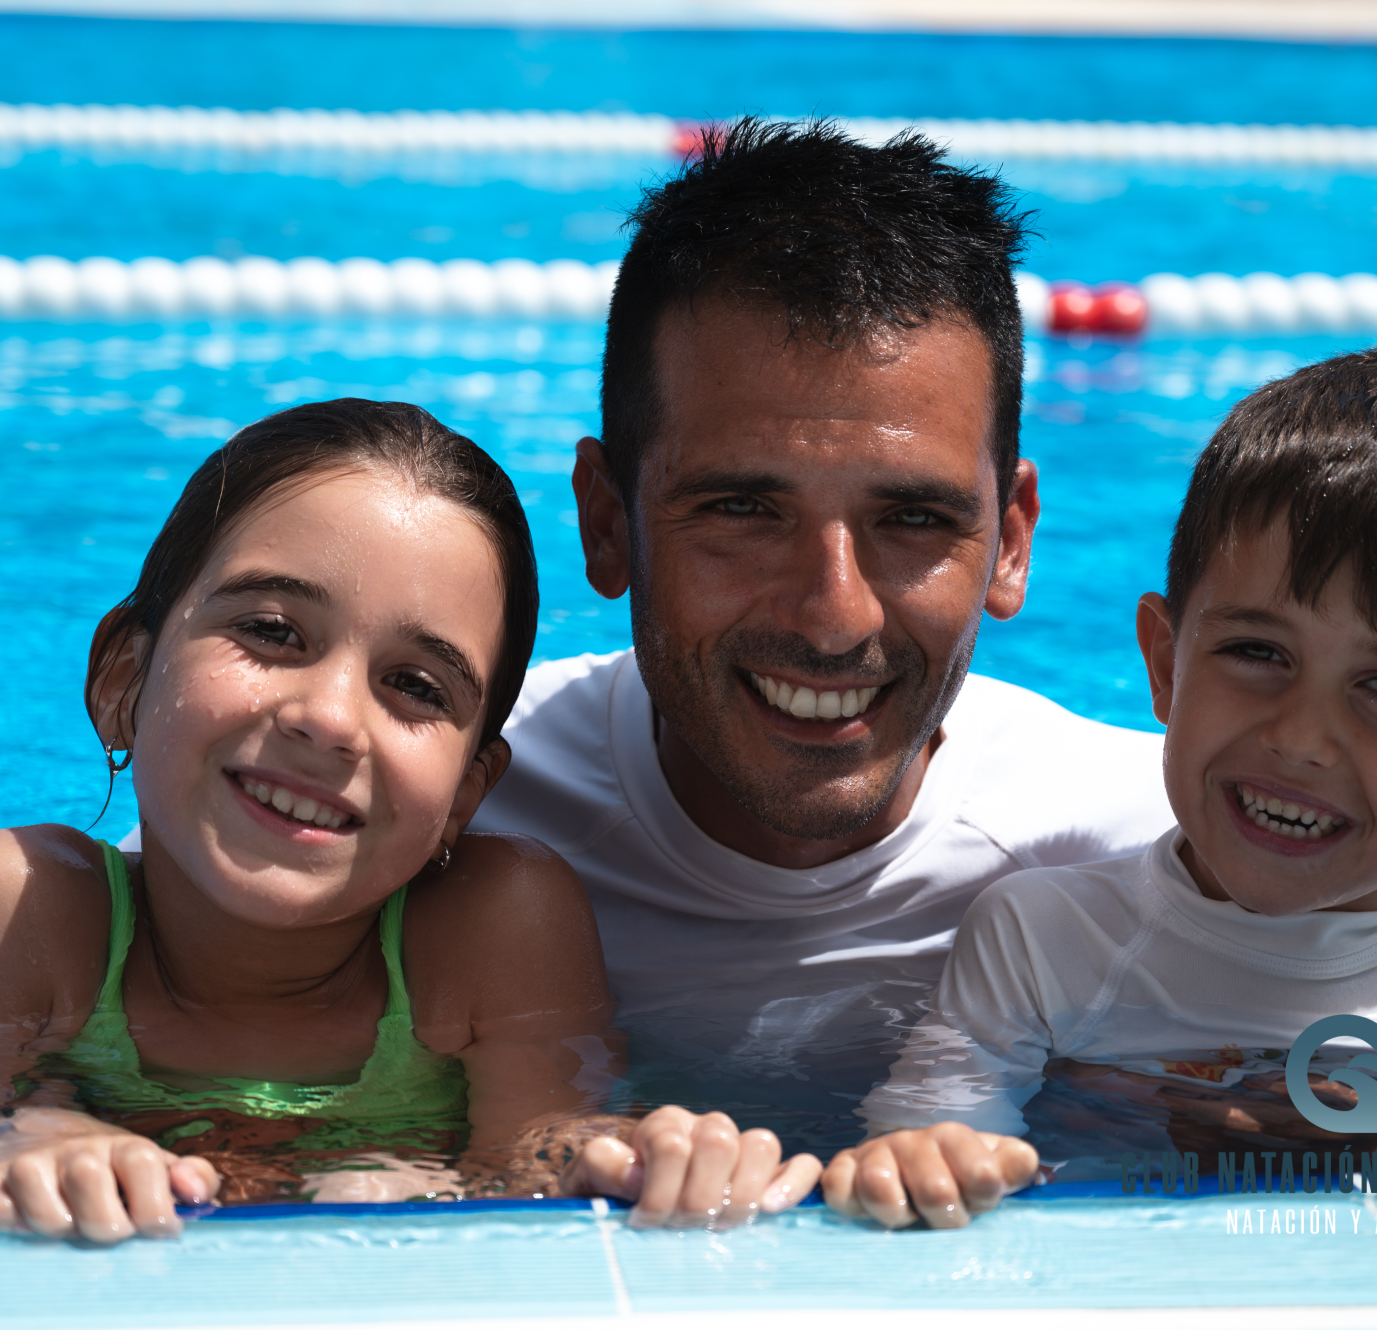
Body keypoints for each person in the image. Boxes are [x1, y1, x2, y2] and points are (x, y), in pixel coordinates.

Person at [828, 348, 1377, 1227]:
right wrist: (926, 1157)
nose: (1299, 739)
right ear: (1166, 666)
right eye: (1257, 653)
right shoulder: (1046, 941)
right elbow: (930, 1146)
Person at [0, 399, 821, 1244]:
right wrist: (29, 1137)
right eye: (271, 631)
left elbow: (540, 1148)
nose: (330, 720)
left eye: (415, 685)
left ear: (466, 794)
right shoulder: (32, 909)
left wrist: (634, 1157)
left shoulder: (491, 927)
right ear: (123, 680)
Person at [469, 117, 1173, 1161]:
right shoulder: (448, 805)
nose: (832, 614)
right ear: (606, 524)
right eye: (744, 511)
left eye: (914, 521)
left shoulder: (1146, 854)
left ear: (1010, 543)